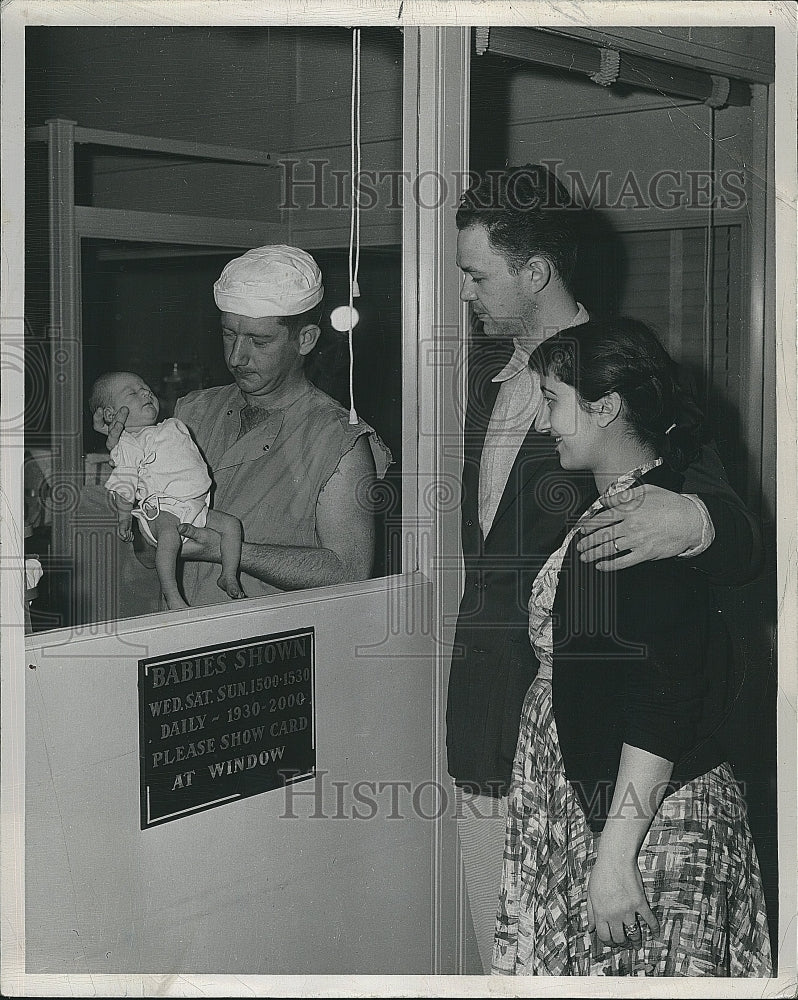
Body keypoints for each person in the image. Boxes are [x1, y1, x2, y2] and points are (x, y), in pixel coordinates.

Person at [448, 164, 764, 972]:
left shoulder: (618, 379)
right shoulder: (487, 390)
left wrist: (690, 518)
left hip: (607, 746)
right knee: (516, 946)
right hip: (501, 728)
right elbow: (492, 554)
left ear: (535, 272)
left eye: (476, 275)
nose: (467, 295)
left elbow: (736, 534)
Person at [493, 317, 771, 976]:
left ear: (607, 407)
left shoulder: (647, 524)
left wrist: (615, 860)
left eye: (554, 403)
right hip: (621, 806)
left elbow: (665, 701)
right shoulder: (624, 505)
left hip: (650, 829)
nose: (543, 424)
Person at [95, 245, 391, 607]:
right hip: (178, 644)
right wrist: (127, 456)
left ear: (305, 339)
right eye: (229, 334)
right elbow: (145, 553)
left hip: (271, 651)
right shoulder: (193, 412)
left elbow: (349, 571)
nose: (237, 357)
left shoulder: (338, 441)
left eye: (259, 341)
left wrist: (227, 551)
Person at [89, 371, 244, 610]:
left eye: (145, 387)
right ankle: (172, 595)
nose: (145, 392)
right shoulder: (130, 443)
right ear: (111, 414)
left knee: (232, 525)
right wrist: (123, 517)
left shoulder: (170, 426)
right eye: (132, 393)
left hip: (194, 505)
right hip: (163, 510)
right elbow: (125, 480)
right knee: (169, 540)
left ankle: (229, 574)